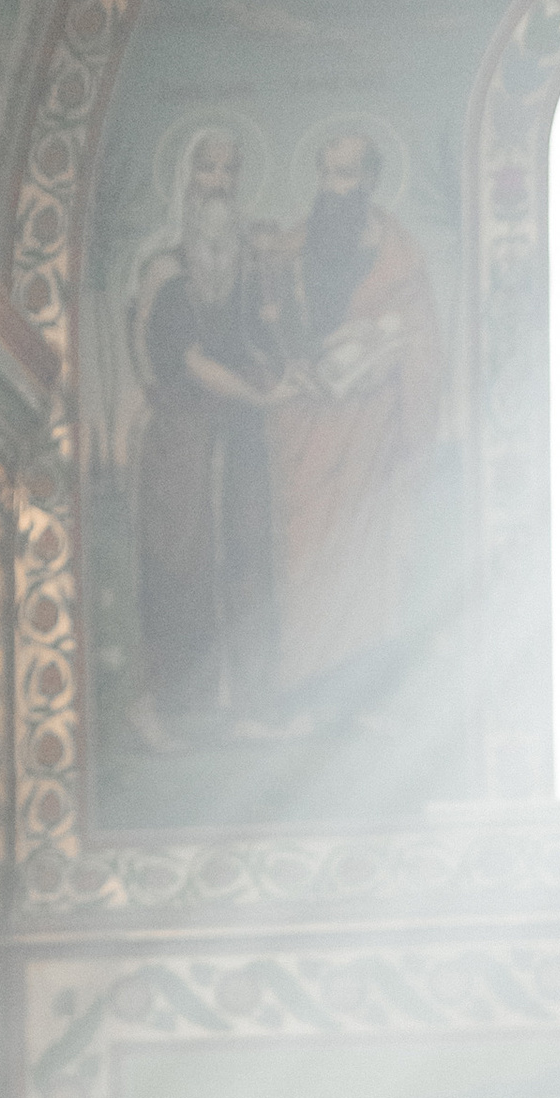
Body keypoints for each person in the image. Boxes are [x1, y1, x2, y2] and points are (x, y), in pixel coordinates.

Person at [263, 131, 443, 720]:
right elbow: (266, 330)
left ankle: (360, 687)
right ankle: (306, 680)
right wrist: (290, 362)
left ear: (370, 180)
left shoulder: (399, 256)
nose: (334, 187)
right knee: (308, 553)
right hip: (306, 422)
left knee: (367, 556)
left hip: (371, 426)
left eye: (346, 175)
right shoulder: (291, 249)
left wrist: (383, 356)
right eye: (327, 174)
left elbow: (422, 344)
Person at [129, 126, 283, 743]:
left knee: (245, 557)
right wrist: (257, 393)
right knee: (182, 562)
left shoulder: (247, 269)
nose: (218, 184)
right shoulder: (164, 271)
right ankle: (173, 707)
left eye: (229, 171)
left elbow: (258, 341)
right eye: (207, 169)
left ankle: (243, 702)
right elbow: (186, 359)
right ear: (186, 180)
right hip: (183, 438)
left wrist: (277, 354)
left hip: (239, 439)